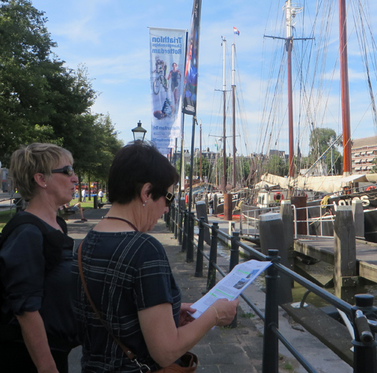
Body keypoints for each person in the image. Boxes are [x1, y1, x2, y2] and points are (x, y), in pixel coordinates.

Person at [73, 141, 238, 372]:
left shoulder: (85, 244)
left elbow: (116, 312)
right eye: (168, 199)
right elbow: (166, 352)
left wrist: (169, 312)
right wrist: (214, 315)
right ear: (147, 193)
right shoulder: (145, 250)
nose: (167, 209)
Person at [0, 143, 80, 372]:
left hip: (59, 351)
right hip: (28, 359)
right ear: (41, 179)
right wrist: (48, 368)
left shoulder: (57, 226)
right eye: (67, 171)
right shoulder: (28, 233)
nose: (74, 178)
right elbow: (25, 309)